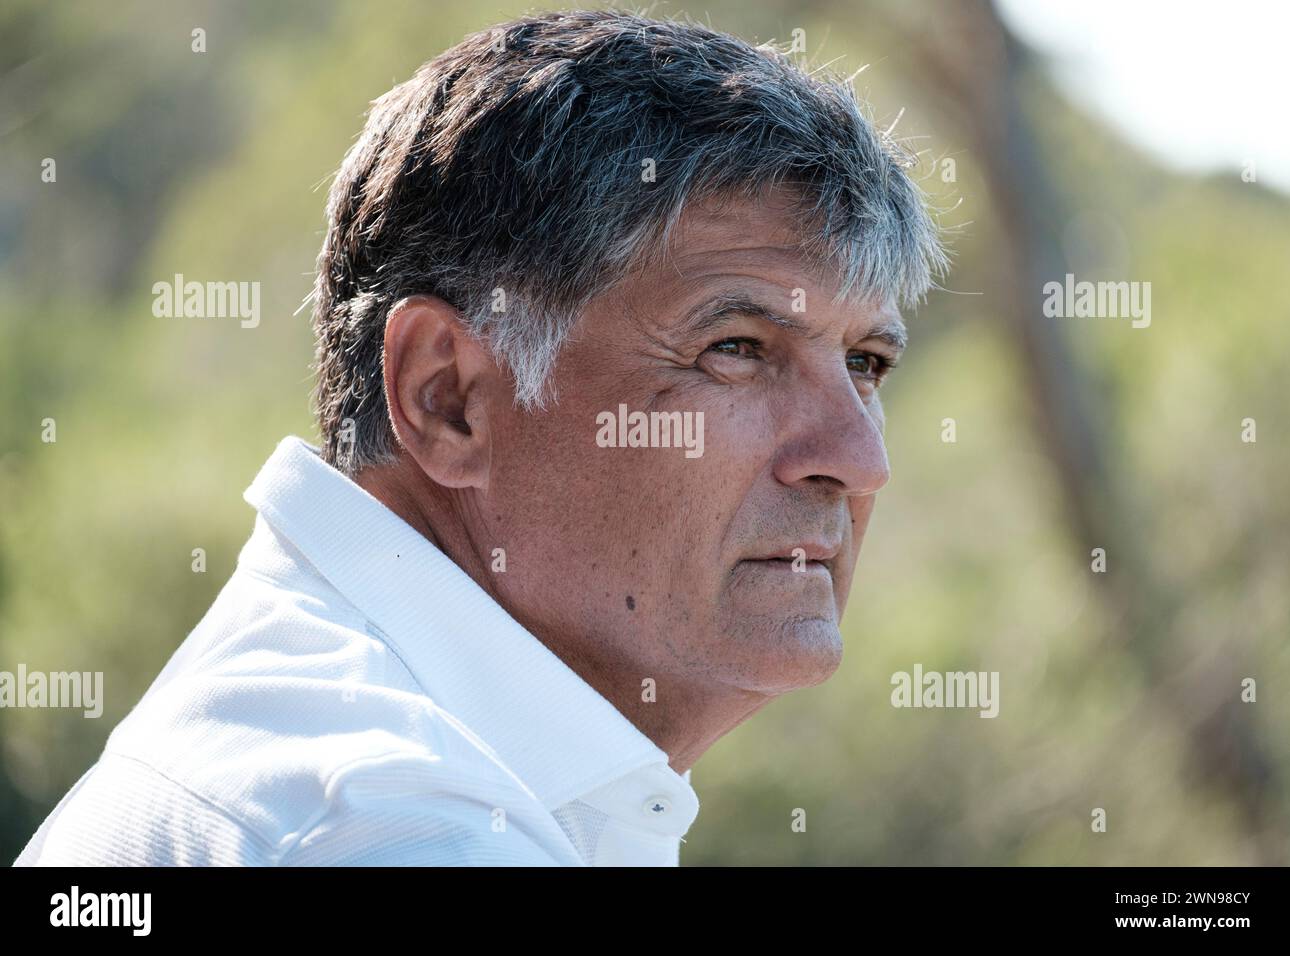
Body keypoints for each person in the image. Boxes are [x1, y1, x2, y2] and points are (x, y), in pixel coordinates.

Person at [15, 7, 945, 867]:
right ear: (447, 398)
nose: (860, 460)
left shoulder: (370, 759)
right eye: (736, 349)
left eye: (867, 363)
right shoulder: (399, 825)